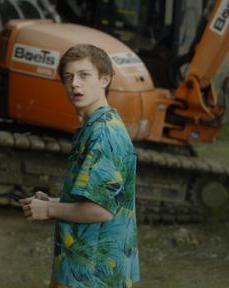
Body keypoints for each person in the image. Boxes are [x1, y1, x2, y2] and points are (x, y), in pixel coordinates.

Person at [20, 44, 140, 288]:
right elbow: (98, 197)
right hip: (81, 264)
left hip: (93, 274)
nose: (75, 83)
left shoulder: (104, 134)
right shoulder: (94, 126)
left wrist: (49, 211)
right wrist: (53, 201)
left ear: (105, 79)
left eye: (84, 75)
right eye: (68, 77)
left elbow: (101, 210)